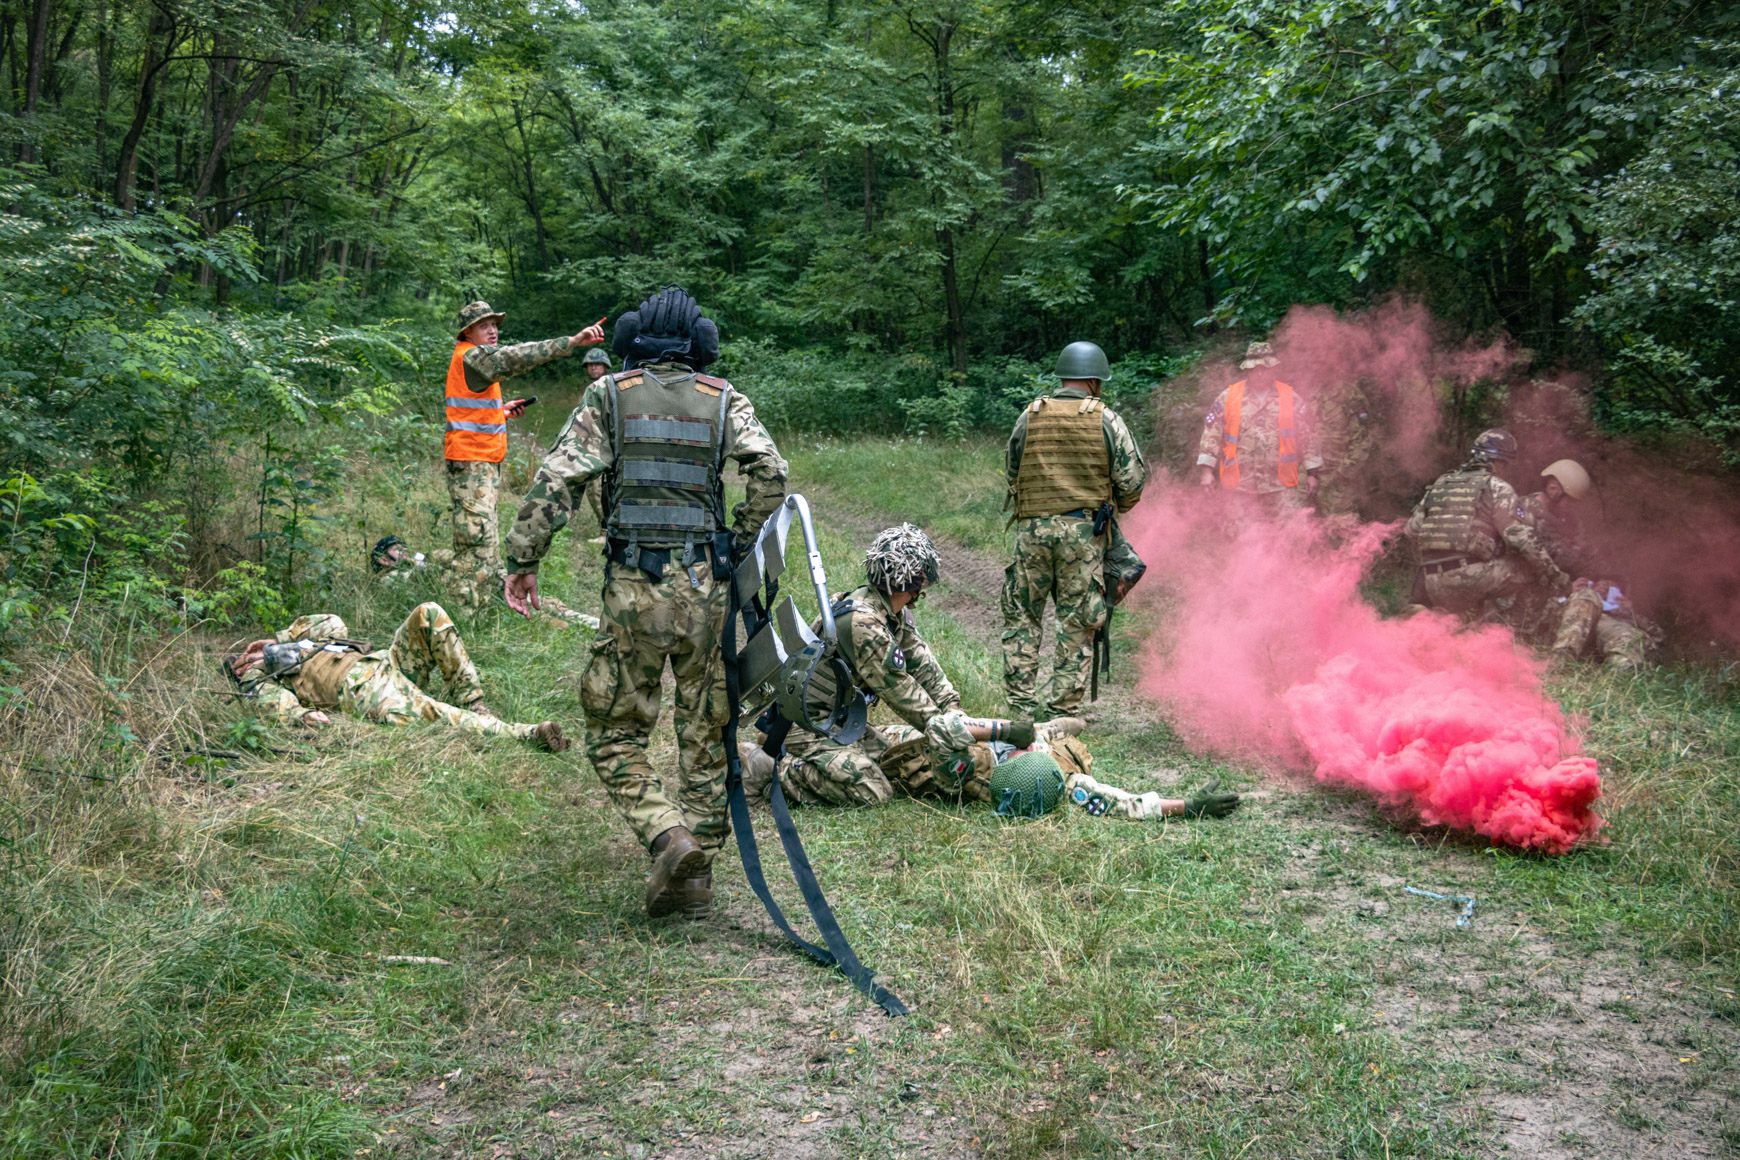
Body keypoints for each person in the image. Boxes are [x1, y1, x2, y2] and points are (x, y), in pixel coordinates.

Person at [502, 285, 788, 920]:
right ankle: (698, 872)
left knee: (613, 730)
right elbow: (772, 472)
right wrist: (739, 542)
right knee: (706, 728)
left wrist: (523, 559)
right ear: (700, 346)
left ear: (636, 342)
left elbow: (559, 478)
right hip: (705, 589)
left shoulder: (609, 395)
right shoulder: (725, 399)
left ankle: (669, 836)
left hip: (634, 588)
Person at [755, 524, 1071, 807]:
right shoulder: (863, 625)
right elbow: (912, 702)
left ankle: (800, 755)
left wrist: (956, 713)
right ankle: (771, 767)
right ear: (916, 583)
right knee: (873, 789)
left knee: (894, 759)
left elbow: (926, 669)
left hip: (837, 721)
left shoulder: (888, 612)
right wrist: (995, 731)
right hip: (805, 726)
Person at [1002, 341, 1147, 721]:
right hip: (1083, 536)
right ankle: (1062, 713)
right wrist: (1112, 508)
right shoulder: (1106, 419)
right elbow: (1131, 482)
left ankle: (1020, 710)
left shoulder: (1030, 415)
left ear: (1063, 376)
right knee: (1077, 622)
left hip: (1031, 531)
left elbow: (1012, 470)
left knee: (1022, 618)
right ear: (1096, 381)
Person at [224, 602, 568, 750]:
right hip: (364, 691)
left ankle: (474, 702)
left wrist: (279, 640)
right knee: (435, 713)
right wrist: (300, 715)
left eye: (247, 651)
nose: (246, 655)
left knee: (428, 612)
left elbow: (333, 623)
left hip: (385, 662)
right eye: (240, 658)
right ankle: (526, 734)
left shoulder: (299, 642)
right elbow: (273, 703)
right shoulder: (260, 675)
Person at [444, 301, 605, 609]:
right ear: (467, 333)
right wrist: (570, 342)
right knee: (475, 542)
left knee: (484, 538)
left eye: (494, 324)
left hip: (479, 462)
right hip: (470, 463)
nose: (492, 330)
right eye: (483, 326)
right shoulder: (472, 356)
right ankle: (467, 610)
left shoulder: (474, 359)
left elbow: (468, 412)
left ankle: (485, 599)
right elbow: (514, 357)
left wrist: (500, 412)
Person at [1404, 428, 1569, 620]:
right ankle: (1519, 627)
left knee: (1483, 569)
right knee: (1533, 565)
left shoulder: (1442, 483)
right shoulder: (1497, 487)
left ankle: (1459, 619)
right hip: (1470, 578)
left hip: (1431, 583)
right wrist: (1558, 576)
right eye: (1507, 464)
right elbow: (1522, 540)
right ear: (1500, 462)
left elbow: (1411, 530)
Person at [1515, 459, 1655, 670]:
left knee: (1620, 629)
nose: (1572, 507)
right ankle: (1560, 664)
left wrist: (1608, 582)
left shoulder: (1570, 523)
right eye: (1570, 501)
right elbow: (1516, 574)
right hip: (1532, 608)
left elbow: (1590, 559)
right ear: (1554, 489)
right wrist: (1564, 588)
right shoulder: (1520, 514)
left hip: (1574, 607)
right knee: (1587, 601)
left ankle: (1623, 663)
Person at [1196, 341, 1324, 513]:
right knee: (1241, 530)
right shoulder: (1229, 397)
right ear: (1247, 370)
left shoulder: (1290, 397)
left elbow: (1308, 436)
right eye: (1254, 369)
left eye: (1264, 368)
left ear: (1273, 369)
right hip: (1240, 486)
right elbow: (1211, 434)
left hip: (1281, 486)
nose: (1259, 373)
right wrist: (1206, 471)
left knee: (1289, 528)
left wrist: (1312, 473)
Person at [1312, 381, 1374, 518]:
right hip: (1314, 475)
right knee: (1312, 524)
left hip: (1339, 476)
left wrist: (1345, 472)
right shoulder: (1312, 391)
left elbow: (1362, 438)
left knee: (1340, 522)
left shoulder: (1349, 394)